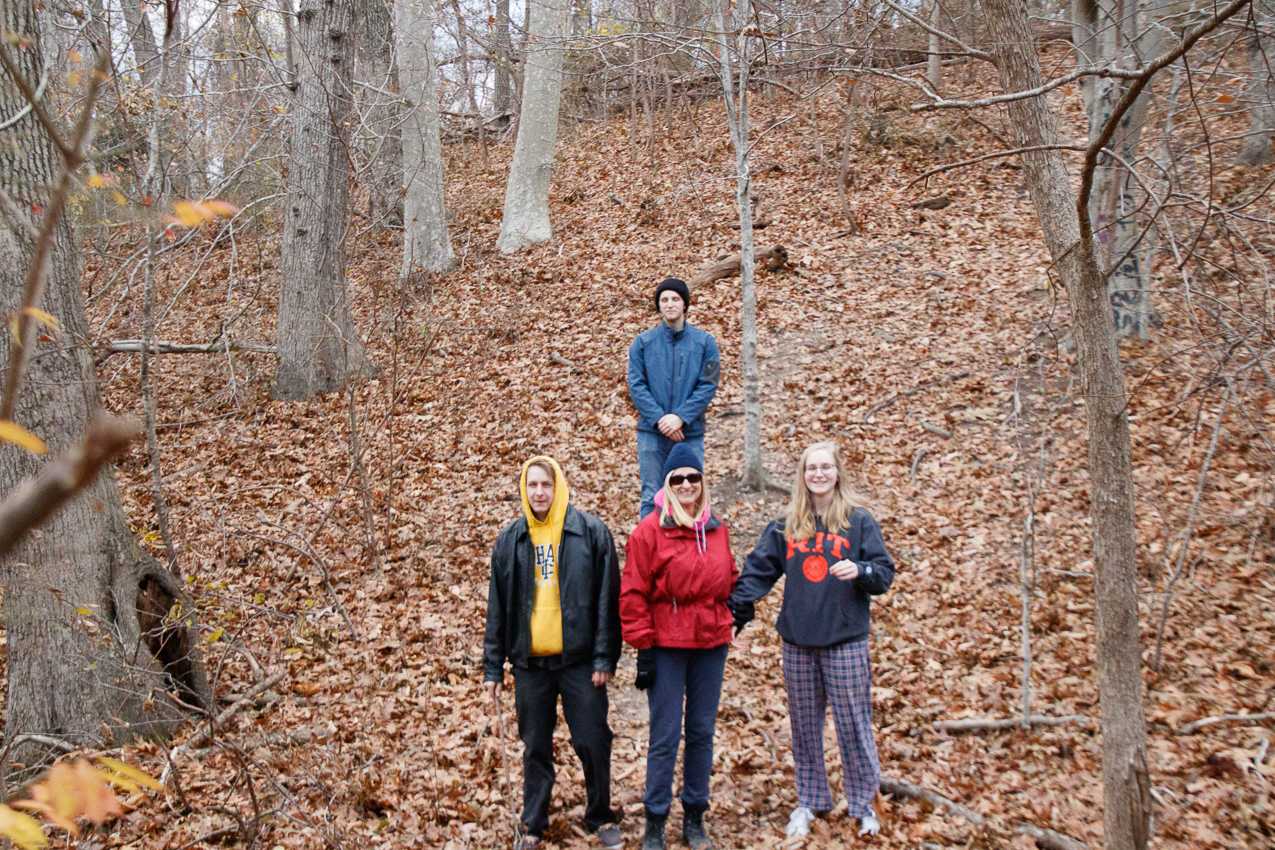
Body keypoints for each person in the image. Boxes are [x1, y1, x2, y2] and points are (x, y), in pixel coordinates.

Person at [727, 441, 895, 839]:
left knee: (853, 725)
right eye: (810, 468)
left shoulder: (858, 522)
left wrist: (860, 569)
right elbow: (758, 572)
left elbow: (884, 574)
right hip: (798, 641)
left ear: (838, 472)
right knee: (804, 726)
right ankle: (811, 799)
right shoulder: (788, 524)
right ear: (802, 476)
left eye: (825, 467)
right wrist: (736, 613)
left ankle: (864, 803)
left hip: (845, 640)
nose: (818, 474)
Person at [483, 456, 625, 850]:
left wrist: (603, 658)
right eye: (532, 486)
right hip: (530, 665)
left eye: (546, 485)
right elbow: (497, 607)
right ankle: (533, 823)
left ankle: (600, 814)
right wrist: (492, 668)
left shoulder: (590, 533)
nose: (539, 493)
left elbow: (607, 601)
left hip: (580, 662)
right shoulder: (511, 540)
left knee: (593, 740)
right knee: (536, 746)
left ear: (558, 485)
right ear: (523, 490)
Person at [620, 443, 737, 850]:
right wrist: (644, 647)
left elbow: (731, 578)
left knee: (702, 730)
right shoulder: (649, 531)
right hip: (667, 643)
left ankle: (695, 815)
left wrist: (731, 617)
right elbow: (632, 592)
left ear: (702, 483)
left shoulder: (717, 527)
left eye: (693, 477)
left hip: (710, 642)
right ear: (667, 485)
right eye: (678, 478)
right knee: (665, 733)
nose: (687, 484)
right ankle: (655, 821)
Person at [627, 277, 721, 520]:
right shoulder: (642, 343)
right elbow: (636, 385)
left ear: (685, 304)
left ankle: (692, 553)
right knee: (652, 496)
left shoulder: (705, 343)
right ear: (659, 306)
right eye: (664, 299)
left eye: (675, 299)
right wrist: (661, 420)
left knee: (691, 495)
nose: (670, 304)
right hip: (651, 433)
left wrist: (680, 418)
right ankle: (649, 555)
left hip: (689, 433)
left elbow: (708, 384)